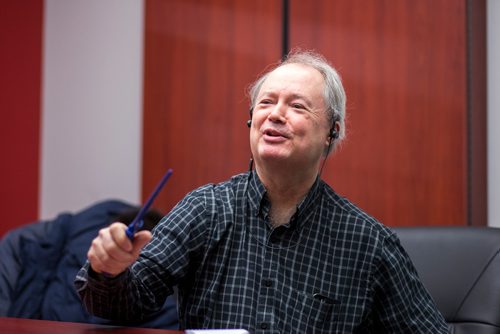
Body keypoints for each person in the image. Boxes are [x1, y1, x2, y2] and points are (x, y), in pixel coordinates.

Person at [75, 50, 449, 333]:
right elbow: (124, 304)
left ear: (332, 132)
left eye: (297, 106)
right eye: (266, 103)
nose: (274, 114)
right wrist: (109, 270)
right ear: (251, 121)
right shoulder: (205, 209)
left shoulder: (368, 243)